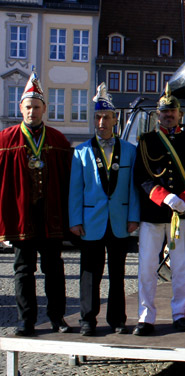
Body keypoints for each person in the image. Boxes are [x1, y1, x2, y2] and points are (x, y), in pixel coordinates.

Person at [0, 71, 72, 336]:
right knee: (23, 269)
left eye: (36, 107)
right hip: (21, 214)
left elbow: (70, 182)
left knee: (53, 268)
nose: (32, 111)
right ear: (21, 108)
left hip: (50, 213)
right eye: (28, 107)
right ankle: (26, 320)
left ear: (44, 109)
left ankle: (58, 318)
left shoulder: (58, 140)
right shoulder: (5, 140)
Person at [68, 84, 140, 336]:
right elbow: (75, 190)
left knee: (118, 274)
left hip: (120, 220)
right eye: (97, 117)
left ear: (114, 119)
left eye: (106, 117)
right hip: (91, 221)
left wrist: (134, 217)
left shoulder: (130, 151)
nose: (101, 122)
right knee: (89, 274)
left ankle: (118, 319)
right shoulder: (81, 152)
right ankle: (87, 319)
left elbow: (133, 187)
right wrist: (75, 220)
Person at [133, 84, 185, 336]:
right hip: (154, 214)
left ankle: (180, 314)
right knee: (147, 266)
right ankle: (145, 316)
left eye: (172, 112)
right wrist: (164, 197)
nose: (168, 115)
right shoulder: (146, 141)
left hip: (181, 213)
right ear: (157, 115)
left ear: (180, 114)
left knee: (180, 267)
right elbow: (141, 177)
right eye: (164, 112)